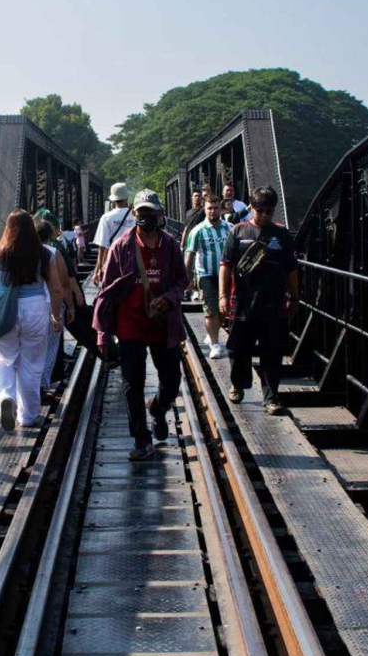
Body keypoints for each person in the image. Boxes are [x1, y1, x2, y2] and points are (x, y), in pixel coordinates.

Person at [92, 190, 188, 461]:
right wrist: (102, 333)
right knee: (132, 383)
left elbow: (182, 280)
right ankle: (141, 440)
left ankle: (158, 408)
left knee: (171, 380)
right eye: (141, 213)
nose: (145, 218)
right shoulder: (121, 247)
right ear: (134, 214)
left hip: (162, 324)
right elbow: (107, 291)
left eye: (150, 213)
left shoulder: (170, 245)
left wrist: (168, 299)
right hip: (130, 324)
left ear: (159, 214)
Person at [0, 210, 64, 429]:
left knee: (3, 358)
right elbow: (56, 289)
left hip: (6, 309)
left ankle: (6, 397)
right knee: (32, 364)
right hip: (35, 308)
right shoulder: (45, 253)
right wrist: (56, 316)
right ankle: (28, 416)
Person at [219, 185, 299, 416]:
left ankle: (271, 398)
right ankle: (238, 383)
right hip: (243, 303)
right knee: (237, 348)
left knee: (272, 352)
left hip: (273, 304)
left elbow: (292, 268)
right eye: (260, 210)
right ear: (251, 207)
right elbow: (225, 265)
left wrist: (295, 297)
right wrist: (223, 296)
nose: (264, 215)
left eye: (269, 211)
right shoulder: (238, 231)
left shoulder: (281, 234)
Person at [36, 216, 81, 396]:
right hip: (50, 305)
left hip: (27, 306)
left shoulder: (21, 252)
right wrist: (69, 306)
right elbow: (63, 284)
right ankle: (42, 383)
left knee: (30, 347)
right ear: (50, 235)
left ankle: (25, 384)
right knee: (51, 346)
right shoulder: (53, 253)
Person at [185, 197, 230, 359]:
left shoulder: (230, 228)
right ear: (205, 209)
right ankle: (215, 344)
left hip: (226, 276)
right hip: (206, 275)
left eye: (216, 208)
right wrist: (187, 278)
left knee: (223, 310)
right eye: (210, 208)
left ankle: (212, 333)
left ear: (221, 209)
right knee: (210, 310)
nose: (213, 211)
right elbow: (189, 254)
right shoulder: (198, 230)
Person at [94, 182, 134, 284]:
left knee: (112, 292)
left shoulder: (106, 217)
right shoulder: (135, 215)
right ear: (126, 197)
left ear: (113, 199)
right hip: (133, 259)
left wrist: (97, 271)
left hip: (112, 260)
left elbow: (102, 247)